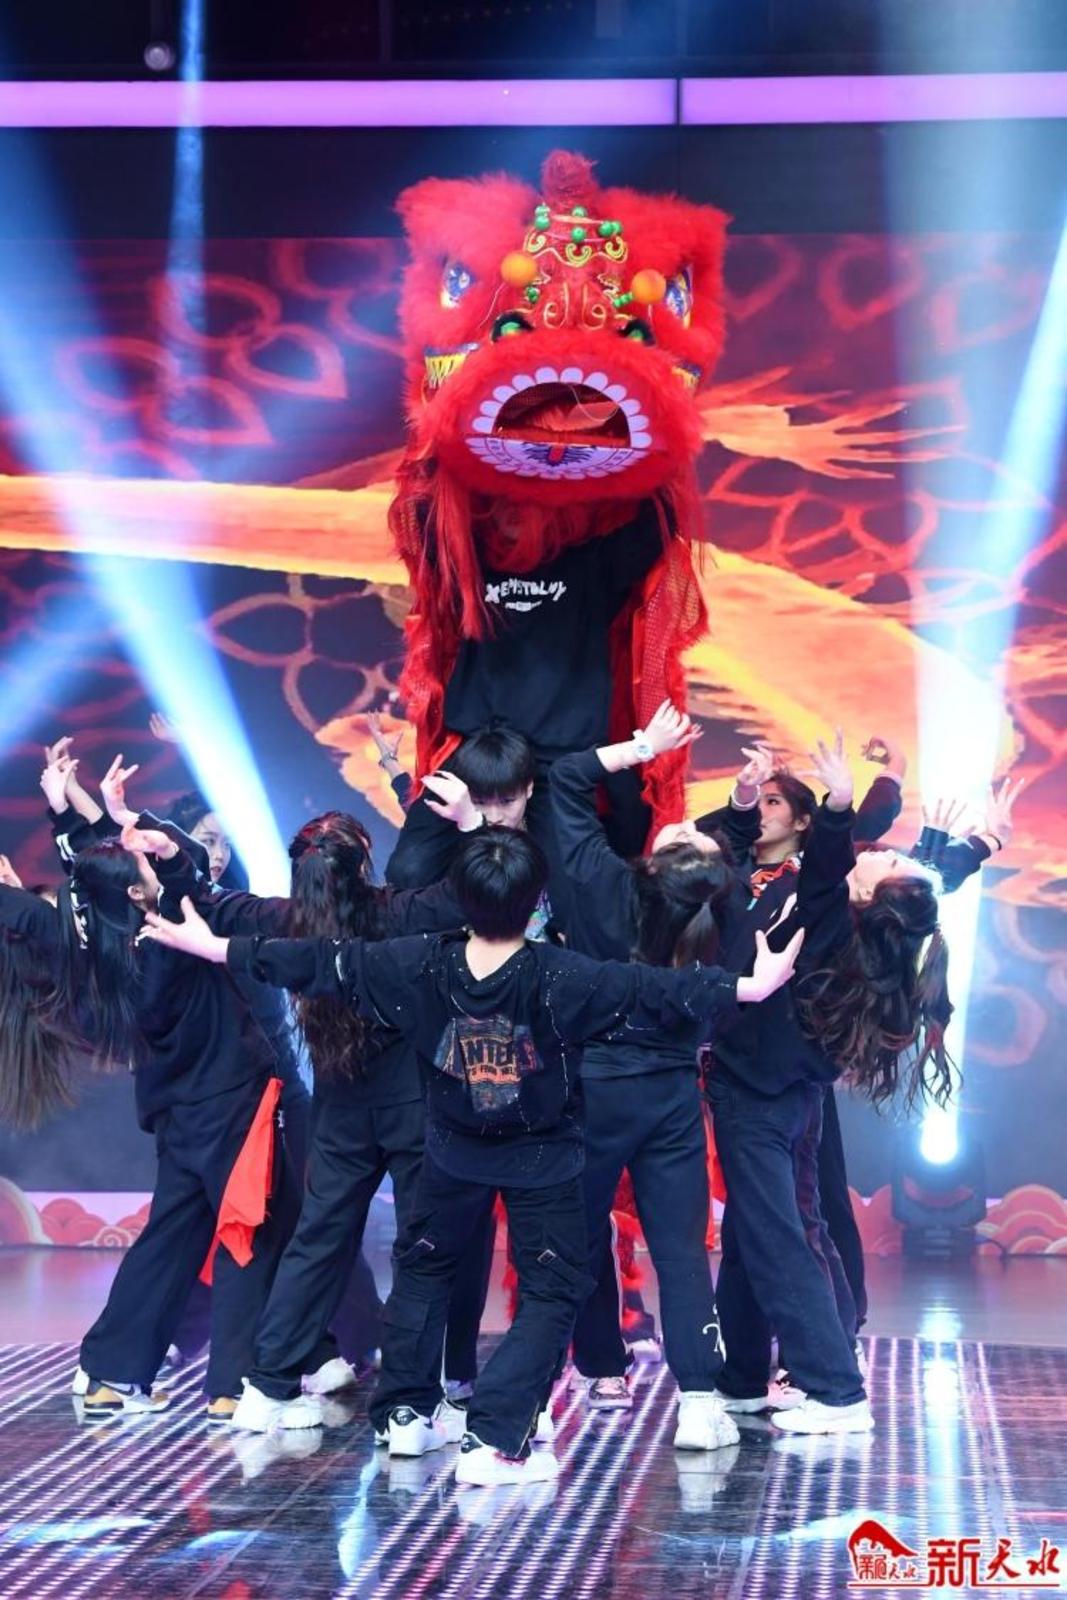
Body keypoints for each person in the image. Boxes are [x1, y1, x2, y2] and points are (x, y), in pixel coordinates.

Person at [143, 826, 804, 1485]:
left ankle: (405, 1418)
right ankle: (494, 1439)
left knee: (423, 1275)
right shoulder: (560, 972)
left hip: (451, 1155)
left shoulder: (417, 960)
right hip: (538, 1162)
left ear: (460, 898)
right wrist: (748, 986)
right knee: (551, 1290)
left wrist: (213, 946)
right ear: (535, 901)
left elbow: (320, 961)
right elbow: (647, 988)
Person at [125, 808, 488, 1435]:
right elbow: (480, 891)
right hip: (410, 1108)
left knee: (316, 1243)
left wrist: (175, 856)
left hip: (340, 1111)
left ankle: (267, 1387)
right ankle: (412, 1403)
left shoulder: (289, 923)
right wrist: (474, 824)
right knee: (422, 1248)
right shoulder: (399, 913)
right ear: (364, 862)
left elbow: (212, 902)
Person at [708, 732, 953, 1435]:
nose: (879, 855)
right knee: (761, 1231)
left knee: (777, 1236)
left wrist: (841, 801)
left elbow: (828, 859)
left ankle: (834, 1390)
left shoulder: (827, 914)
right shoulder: (852, 925)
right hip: (785, 1097)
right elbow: (867, 872)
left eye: (884, 862)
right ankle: (742, 1378)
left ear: (866, 892)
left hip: (758, 1095)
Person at [547, 703, 767, 1436]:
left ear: (653, 866)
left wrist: (643, 747)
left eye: (684, 833)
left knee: (574, 1238)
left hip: (591, 1089)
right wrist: (741, 805)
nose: (682, 822)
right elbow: (722, 865)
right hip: (671, 1096)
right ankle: (698, 1401)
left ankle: (587, 1372)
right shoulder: (719, 919)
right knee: (679, 1254)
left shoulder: (601, 889)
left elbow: (565, 780)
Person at [385, 498, 671, 892]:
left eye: (529, 499)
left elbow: (657, 526)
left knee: (573, 892)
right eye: (503, 498)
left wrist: (649, 466)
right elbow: (425, 515)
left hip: (560, 762)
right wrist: (446, 464)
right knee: (409, 871)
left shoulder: (592, 564)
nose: (516, 509)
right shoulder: (471, 560)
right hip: (479, 751)